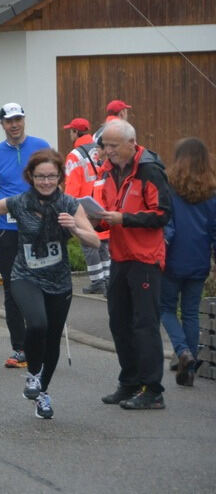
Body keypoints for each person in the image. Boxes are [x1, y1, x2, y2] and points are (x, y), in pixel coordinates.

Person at [0, 149, 100, 419]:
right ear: (31, 177)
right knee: (37, 323)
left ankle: (43, 393)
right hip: (25, 275)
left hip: (59, 280)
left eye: (51, 176)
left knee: (52, 339)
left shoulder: (70, 204)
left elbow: (94, 240)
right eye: (40, 176)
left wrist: (74, 226)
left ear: (60, 176)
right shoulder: (19, 202)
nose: (46, 181)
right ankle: (32, 375)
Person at [97, 119, 171, 409]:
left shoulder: (150, 169)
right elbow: (110, 208)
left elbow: (163, 214)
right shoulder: (109, 169)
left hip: (145, 257)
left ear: (132, 143)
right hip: (120, 254)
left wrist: (124, 219)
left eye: (113, 146)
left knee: (145, 324)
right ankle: (129, 382)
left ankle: (153, 390)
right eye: (105, 145)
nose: (108, 151)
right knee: (119, 321)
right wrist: (98, 218)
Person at [0, 103, 51, 368]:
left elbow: (54, 180)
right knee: (11, 289)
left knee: (42, 284)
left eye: (18, 119)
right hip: (6, 228)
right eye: (9, 121)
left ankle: (42, 342)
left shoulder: (41, 145)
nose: (14, 125)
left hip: (37, 225)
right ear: (2, 124)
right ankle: (19, 348)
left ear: (24, 120)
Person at [160, 137, 216, 387]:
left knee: (166, 309)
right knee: (191, 312)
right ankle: (189, 367)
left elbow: (167, 228)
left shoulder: (169, 187)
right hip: (199, 260)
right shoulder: (211, 190)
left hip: (172, 259)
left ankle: (182, 351)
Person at [62, 117, 110, 295]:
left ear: (75, 132)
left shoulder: (75, 155)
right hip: (101, 201)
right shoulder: (99, 148)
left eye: (71, 131)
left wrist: (68, 206)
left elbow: (72, 185)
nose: (70, 134)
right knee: (104, 243)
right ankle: (107, 278)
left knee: (88, 243)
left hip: (84, 205)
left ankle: (97, 281)